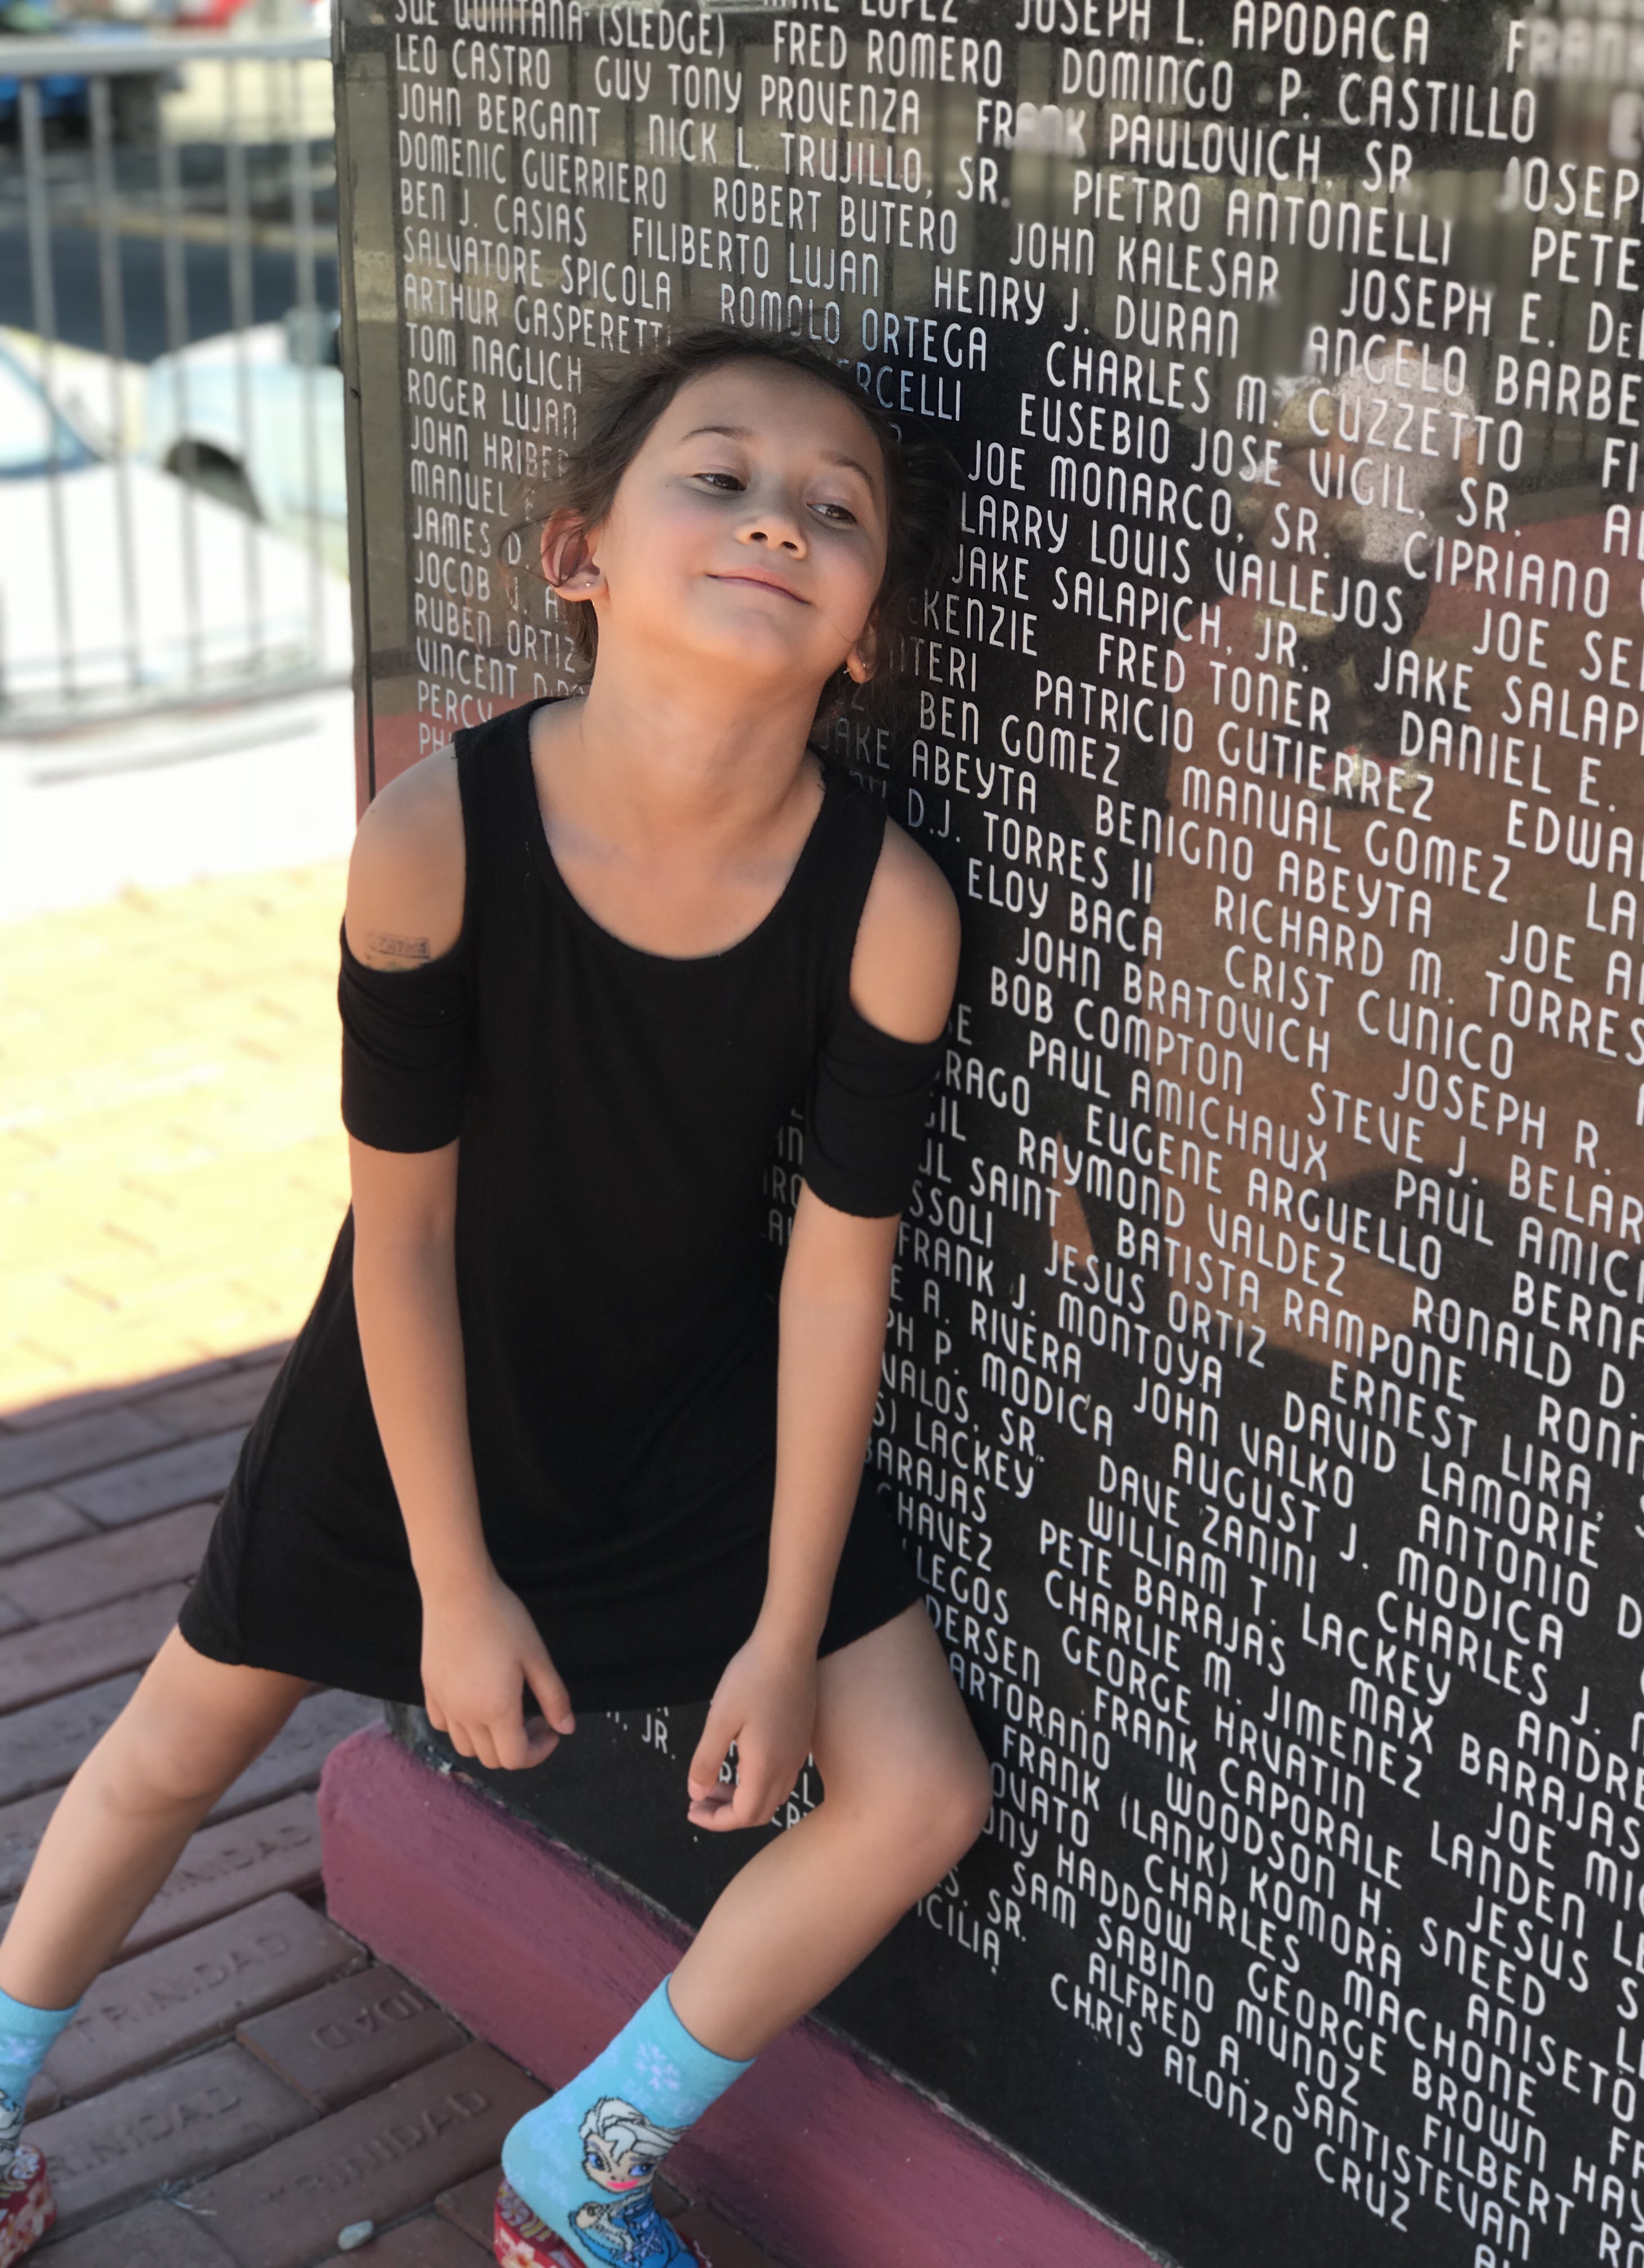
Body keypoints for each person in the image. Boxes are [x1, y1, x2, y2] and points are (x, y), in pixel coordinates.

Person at [0, 328, 993, 2268]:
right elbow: (402, 1235)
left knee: (919, 1790)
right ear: (579, 556)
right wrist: (450, 1593)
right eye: (720, 475)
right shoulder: (435, 837)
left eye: (837, 507)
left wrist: (784, 1629)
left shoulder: (886, 909)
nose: (778, 520)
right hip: (424, 1385)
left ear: (871, 630)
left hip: (698, 1396)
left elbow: (835, 1274)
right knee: (177, 1744)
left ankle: (582, 2159)